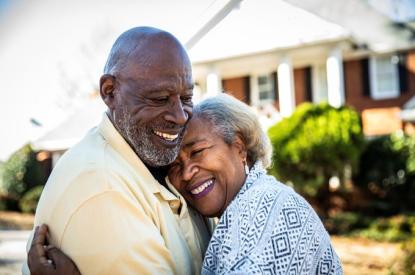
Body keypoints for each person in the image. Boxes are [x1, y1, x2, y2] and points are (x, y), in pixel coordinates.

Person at [29, 94, 343, 274]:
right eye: (175, 165)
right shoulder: (237, 214)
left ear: (239, 146)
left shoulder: (265, 208)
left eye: (198, 151)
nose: (188, 172)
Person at [24, 26, 214, 275]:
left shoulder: (163, 166)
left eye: (187, 98)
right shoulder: (101, 185)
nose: (180, 116)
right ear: (110, 92)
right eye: (159, 98)